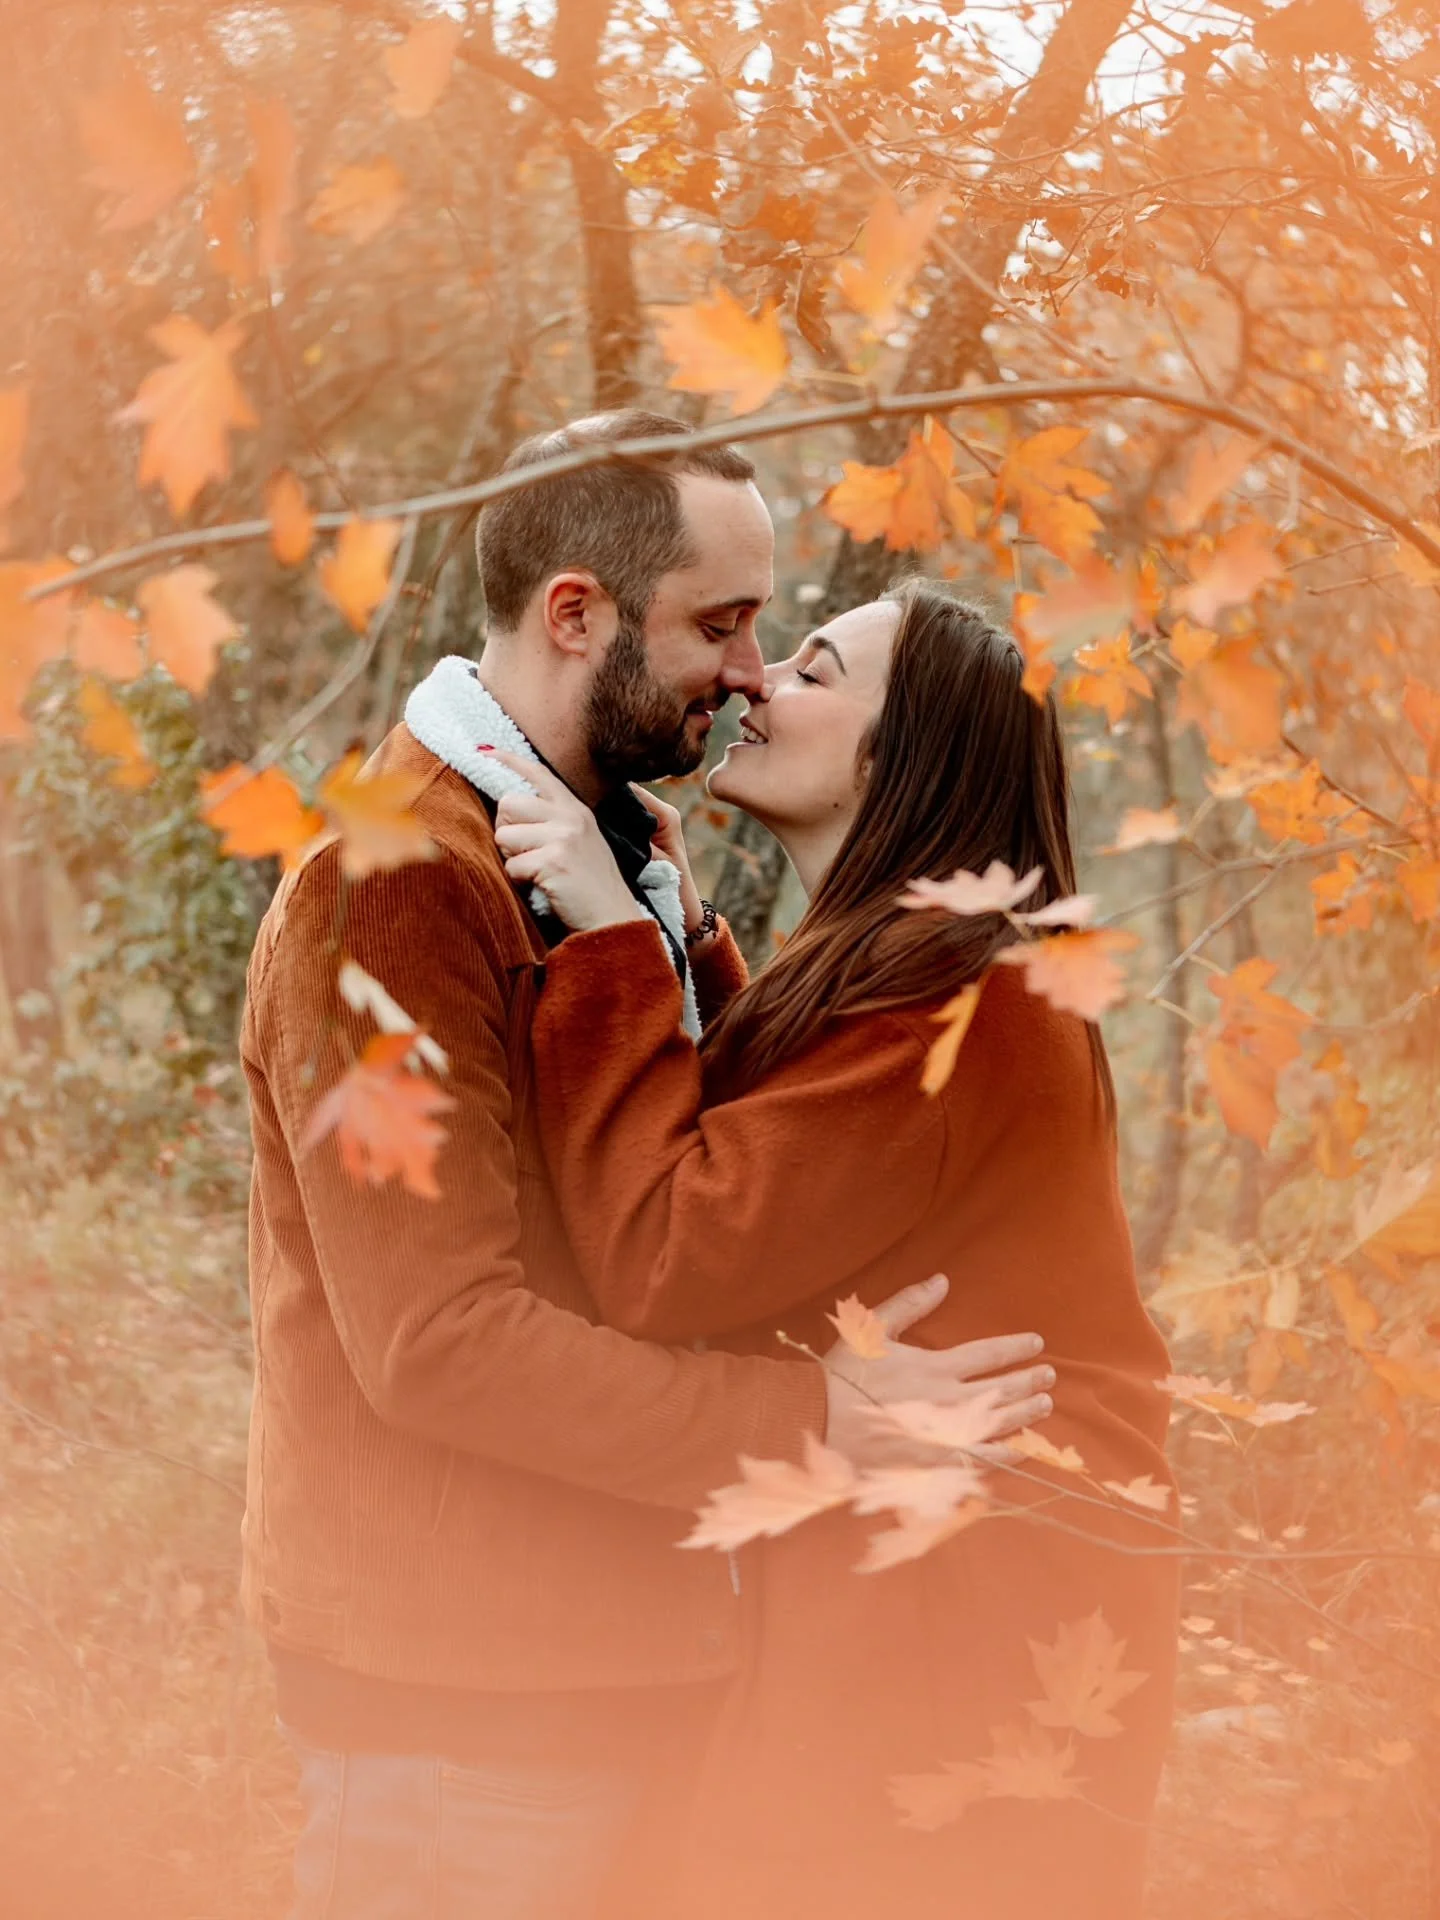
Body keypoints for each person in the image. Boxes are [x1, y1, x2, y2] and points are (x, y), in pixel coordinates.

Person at [240, 414, 1056, 1920]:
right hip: (464, 1705)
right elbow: (439, 1344)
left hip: (633, 1674)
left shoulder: (624, 863)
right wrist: (820, 1421)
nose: (749, 674)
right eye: (723, 626)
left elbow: (712, 1157)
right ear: (577, 614)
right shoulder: (395, 889)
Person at [489, 580, 1181, 1920]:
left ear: (898, 754)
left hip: (960, 1635)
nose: (756, 684)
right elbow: (807, 1158)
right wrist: (684, 937)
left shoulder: (962, 1000)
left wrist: (619, 949)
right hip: (923, 1608)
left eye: (810, 669)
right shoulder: (921, 974)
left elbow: (671, 1252)